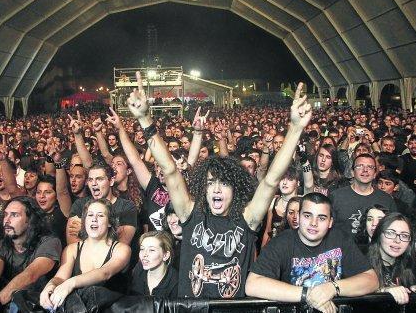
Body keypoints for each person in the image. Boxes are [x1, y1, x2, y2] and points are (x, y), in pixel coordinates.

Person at [128, 74, 312, 298]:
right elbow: (170, 170)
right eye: (210, 183)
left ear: (235, 189)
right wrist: (145, 119)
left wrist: (294, 128)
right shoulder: (190, 213)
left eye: (223, 183)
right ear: (203, 188)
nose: (216, 189)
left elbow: (271, 179)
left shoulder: (247, 218)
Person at [245, 193, 378, 313]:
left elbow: (372, 280)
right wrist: (307, 295)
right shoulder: (281, 242)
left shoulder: (340, 239)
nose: (313, 223)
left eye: (321, 218)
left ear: (330, 222)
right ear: (298, 217)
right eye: (308, 216)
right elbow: (252, 284)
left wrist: (332, 288)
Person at [0, 196, 61, 312]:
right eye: (6, 214)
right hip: (3, 302)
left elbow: (31, 274)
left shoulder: (49, 242)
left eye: (14, 215)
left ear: (30, 220)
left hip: (37, 304)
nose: (7, 220)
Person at [38, 199, 130, 311]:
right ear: (84, 220)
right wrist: (50, 286)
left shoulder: (121, 249)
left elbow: (105, 273)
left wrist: (71, 283)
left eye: (100, 216)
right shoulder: (71, 249)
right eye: (90, 215)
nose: (94, 219)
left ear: (110, 222)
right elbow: (60, 278)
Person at [368, 213, 416, 305]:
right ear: (379, 234)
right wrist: (382, 291)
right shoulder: (361, 262)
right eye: (390, 233)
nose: (397, 240)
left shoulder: (413, 267)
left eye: (404, 235)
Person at [331, 154, 397, 235]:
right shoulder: (336, 196)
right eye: (360, 166)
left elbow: (393, 230)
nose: (365, 170)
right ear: (352, 172)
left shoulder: (386, 199)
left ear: (375, 174)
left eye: (370, 167)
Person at [129, 231, 178, 298]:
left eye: (151, 250)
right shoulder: (138, 270)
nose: (144, 254)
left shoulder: (175, 282)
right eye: (142, 249)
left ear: (165, 255)